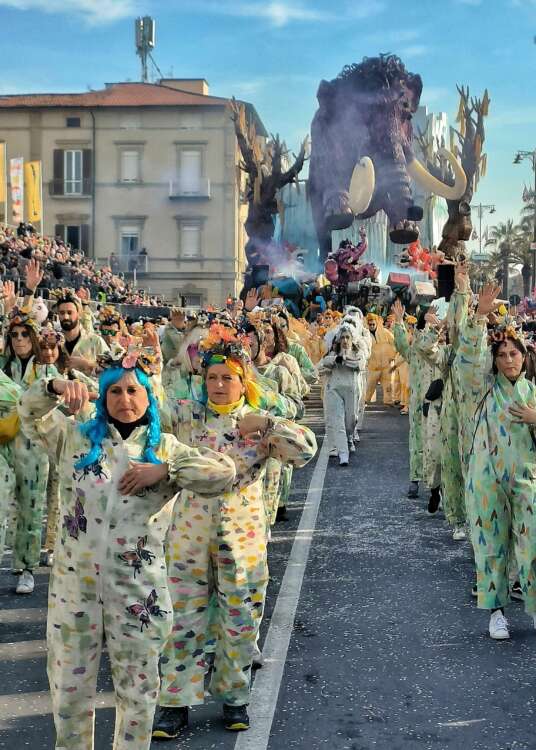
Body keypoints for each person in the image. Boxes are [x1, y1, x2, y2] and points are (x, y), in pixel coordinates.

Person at [18, 345, 236, 750]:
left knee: (137, 698)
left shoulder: (165, 449)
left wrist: (167, 470)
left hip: (138, 596)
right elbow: (28, 415)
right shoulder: (75, 439)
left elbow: (224, 473)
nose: (124, 400)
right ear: (102, 397)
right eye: (114, 392)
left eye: (134, 391)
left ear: (150, 397)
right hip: (75, 594)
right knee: (69, 695)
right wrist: (52, 386)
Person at [153, 330, 317, 738]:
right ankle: (175, 702)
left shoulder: (256, 425)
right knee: (182, 616)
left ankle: (234, 696)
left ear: (244, 382)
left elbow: (304, 451)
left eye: (229, 377)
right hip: (189, 533)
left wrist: (270, 422)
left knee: (240, 617)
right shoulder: (188, 416)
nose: (220, 385)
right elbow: (149, 409)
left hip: (241, 536)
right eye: (212, 377)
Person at [458, 284, 536, 640]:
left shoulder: (533, 392)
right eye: (502, 354)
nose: (508, 359)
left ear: (524, 356)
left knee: (532, 543)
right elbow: (469, 360)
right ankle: (497, 613)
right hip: (486, 481)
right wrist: (477, 316)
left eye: (513, 354)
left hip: (526, 480)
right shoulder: (483, 385)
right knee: (491, 545)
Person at [319, 324, 368, 465]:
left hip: (351, 391)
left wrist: (346, 360)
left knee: (350, 421)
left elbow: (360, 364)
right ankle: (343, 455)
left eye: (348, 337)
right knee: (338, 422)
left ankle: (350, 437)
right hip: (335, 391)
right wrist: (336, 360)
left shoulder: (358, 353)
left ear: (352, 339)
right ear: (339, 340)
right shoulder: (334, 353)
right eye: (343, 338)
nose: (345, 340)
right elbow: (325, 362)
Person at [53, 289, 109, 374]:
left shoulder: (95, 342)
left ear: (79, 314)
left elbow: (111, 371)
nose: (66, 317)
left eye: (69, 312)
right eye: (62, 313)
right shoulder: (55, 343)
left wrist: (87, 365)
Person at [365, 313, 396, 406]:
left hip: (386, 364)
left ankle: (388, 401)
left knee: (388, 384)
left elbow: (394, 343)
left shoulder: (385, 332)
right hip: (373, 366)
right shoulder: (365, 334)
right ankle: (365, 400)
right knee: (370, 385)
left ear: (377, 323)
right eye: (370, 324)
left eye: (373, 324)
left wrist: (392, 356)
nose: (371, 326)